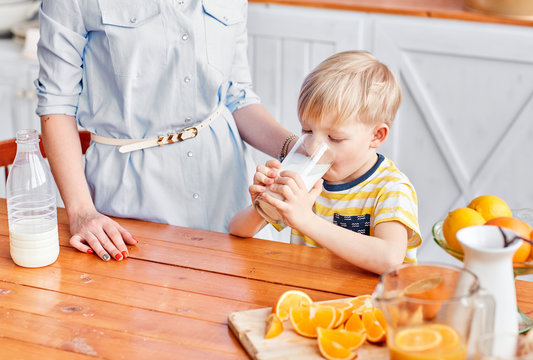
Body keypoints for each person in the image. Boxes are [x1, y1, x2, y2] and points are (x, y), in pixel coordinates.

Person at [35, 0, 295, 261]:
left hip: (228, 188)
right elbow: (56, 105)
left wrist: (295, 148)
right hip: (133, 197)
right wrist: (81, 212)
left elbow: (236, 94)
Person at [229, 51, 422, 275]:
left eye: (335, 138)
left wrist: (306, 220)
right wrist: (261, 205)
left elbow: (389, 259)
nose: (313, 148)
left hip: (367, 306)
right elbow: (237, 230)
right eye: (308, 131)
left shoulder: (391, 188)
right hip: (308, 303)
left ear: (376, 135)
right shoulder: (307, 180)